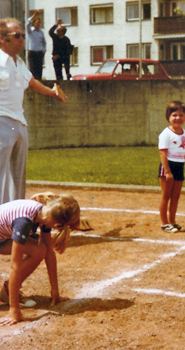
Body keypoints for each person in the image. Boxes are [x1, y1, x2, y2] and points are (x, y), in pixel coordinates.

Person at [0, 17, 66, 205]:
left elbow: (32, 82)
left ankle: (16, 220)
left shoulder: (18, 62)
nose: (22, 39)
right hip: (2, 120)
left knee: (18, 176)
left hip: (19, 123)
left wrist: (53, 93)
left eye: (22, 35)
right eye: (17, 35)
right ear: (2, 39)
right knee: (1, 176)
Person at [0, 193, 80, 326]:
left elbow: (49, 252)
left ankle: (8, 291)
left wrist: (55, 291)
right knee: (37, 250)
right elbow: (15, 266)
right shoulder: (24, 222)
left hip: (2, 238)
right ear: (57, 223)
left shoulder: (45, 215)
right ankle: (11, 299)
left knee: (40, 250)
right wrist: (14, 309)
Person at [158, 101, 185, 233]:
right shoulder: (165, 133)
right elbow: (162, 153)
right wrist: (167, 172)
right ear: (168, 117)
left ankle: (172, 221)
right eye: (174, 115)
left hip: (179, 166)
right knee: (166, 195)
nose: (178, 118)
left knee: (176, 196)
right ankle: (164, 223)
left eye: (181, 115)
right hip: (168, 166)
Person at [26, 10, 46, 79]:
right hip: (32, 53)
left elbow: (44, 42)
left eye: (39, 23)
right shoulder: (30, 31)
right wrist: (34, 15)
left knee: (39, 70)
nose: (38, 24)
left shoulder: (41, 32)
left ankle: (39, 83)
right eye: (37, 23)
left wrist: (44, 50)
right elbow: (27, 23)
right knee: (32, 70)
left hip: (39, 53)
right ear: (34, 23)